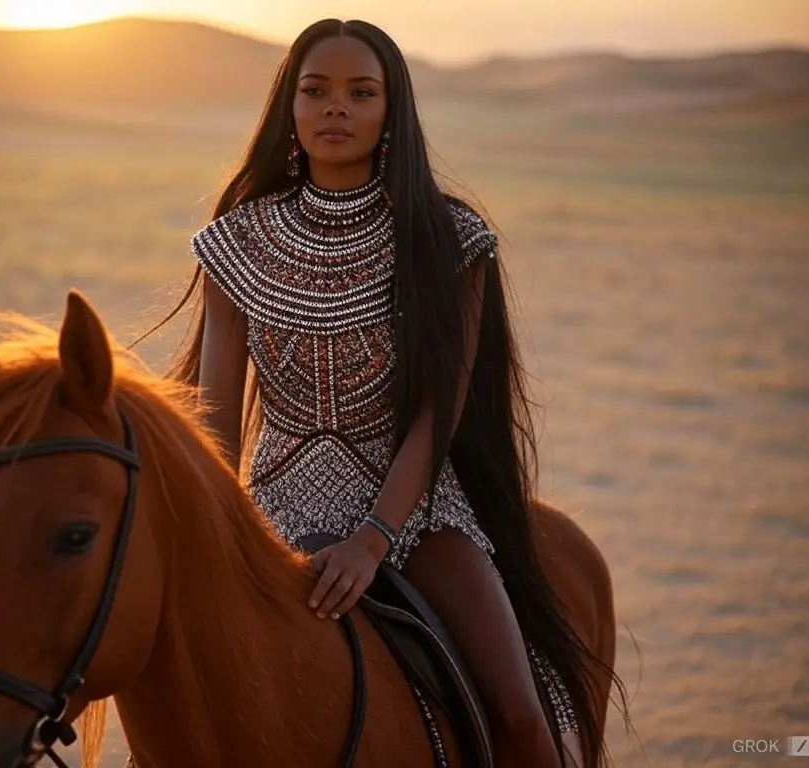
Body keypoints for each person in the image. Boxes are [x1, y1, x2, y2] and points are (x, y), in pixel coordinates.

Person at [151, 18, 604, 768]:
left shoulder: (449, 239)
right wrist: (217, 545)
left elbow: (438, 414)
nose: (337, 108)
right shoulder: (236, 242)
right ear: (289, 108)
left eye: (361, 93)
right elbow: (218, 423)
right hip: (272, 517)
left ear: (392, 111)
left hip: (420, 518)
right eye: (316, 91)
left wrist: (373, 539)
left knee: (521, 721)